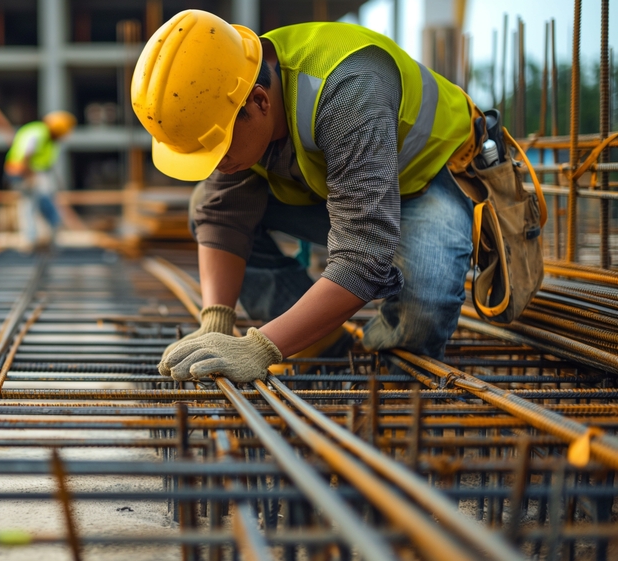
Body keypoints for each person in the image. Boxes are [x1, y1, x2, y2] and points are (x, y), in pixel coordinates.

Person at [131, 10, 484, 383]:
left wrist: (260, 347)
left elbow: (364, 255)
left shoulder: (347, 90)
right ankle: (324, 341)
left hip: (427, 179)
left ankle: (396, 380)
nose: (215, 164)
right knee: (205, 202)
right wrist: (216, 321)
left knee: (425, 310)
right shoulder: (229, 81)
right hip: (343, 183)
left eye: (217, 148)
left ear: (260, 102)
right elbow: (223, 214)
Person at [3, 110, 77, 248]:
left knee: (40, 202)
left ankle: (46, 236)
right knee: (30, 204)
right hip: (23, 172)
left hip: (33, 172)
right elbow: (27, 153)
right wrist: (29, 175)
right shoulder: (39, 133)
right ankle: (31, 239)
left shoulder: (48, 137)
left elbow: (43, 160)